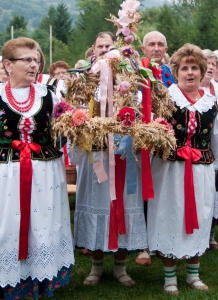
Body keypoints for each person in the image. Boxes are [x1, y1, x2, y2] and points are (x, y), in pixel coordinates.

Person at [69, 32, 147, 287]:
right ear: (93, 50)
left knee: (123, 205)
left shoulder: (129, 85)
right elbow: (73, 119)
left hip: (123, 156)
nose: (105, 51)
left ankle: (121, 268)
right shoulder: (83, 85)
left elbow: (141, 119)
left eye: (110, 47)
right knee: (97, 207)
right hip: (95, 158)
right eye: (101, 47)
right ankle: (96, 267)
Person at [0, 37, 74, 299]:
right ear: (8, 65)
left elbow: (64, 133)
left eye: (36, 60)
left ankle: (40, 279)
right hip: (7, 174)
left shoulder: (50, 95)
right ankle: (8, 279)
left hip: (45, 173)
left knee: (43, 223)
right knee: (8, 224)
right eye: (27, 60)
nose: (34, 65)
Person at [147, 43, 218, 295]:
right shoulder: (166, 99)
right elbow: (151, 133)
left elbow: (216, 138)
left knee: (199, 216)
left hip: (201, 170)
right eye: (185, 69)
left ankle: (193, 274)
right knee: (171, 216)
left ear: (202, 72)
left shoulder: (211, 102)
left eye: (195, 69)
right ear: (176, 72)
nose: (190, 73)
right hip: (170, 170)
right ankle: (169, 277)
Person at [200, 49, 218, 250]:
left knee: (213, 193)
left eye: (214, 63)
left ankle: (210, 235)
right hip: (197, 148)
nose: (211, 67)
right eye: (207, 63)